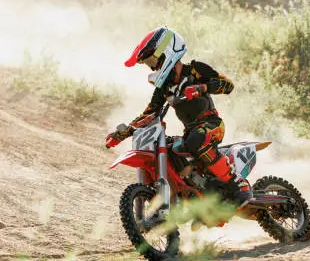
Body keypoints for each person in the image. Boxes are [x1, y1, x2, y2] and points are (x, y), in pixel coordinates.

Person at [105, 26, 253, 207]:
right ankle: (198, 198)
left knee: (195, 140)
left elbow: (227, 85)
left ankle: (237, 182)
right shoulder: (164, 88)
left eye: (152, 60)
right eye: (149, 64)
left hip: (211, 125)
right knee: (173, 150)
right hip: (191, 131)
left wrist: (202, 87)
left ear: (167, 52)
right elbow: (149, 113)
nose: (152, 67)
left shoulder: (195, 71)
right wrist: (122, 133)